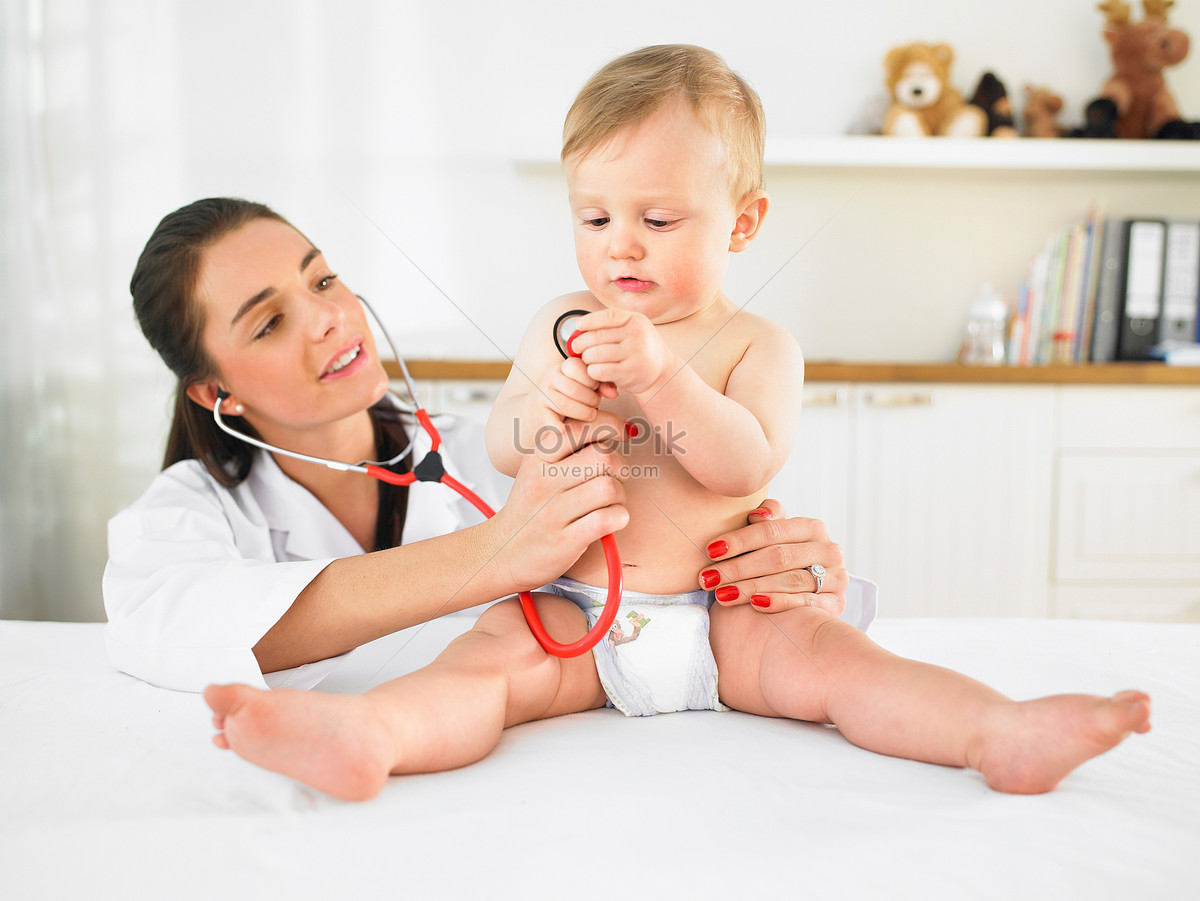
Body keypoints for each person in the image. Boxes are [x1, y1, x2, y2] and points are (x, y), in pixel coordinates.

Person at [197, 45, 1150, 800]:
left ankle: (999, 732)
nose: (620, 247)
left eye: (657, 220)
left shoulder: (756, 345)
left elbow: (745, 463)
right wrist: (549, 406)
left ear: (742, 223)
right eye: (595, 217)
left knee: (844, 664)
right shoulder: (559, 322)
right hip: (575, 613)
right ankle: (371, 737)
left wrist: (663, 383)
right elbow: (502, 442)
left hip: (726, 614)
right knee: (483, 662)